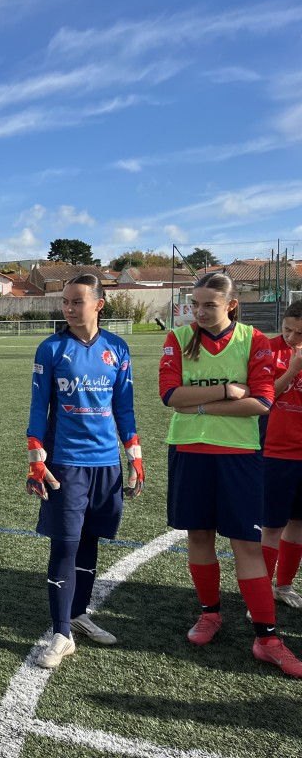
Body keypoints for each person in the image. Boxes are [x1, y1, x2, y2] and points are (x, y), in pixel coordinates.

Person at [160, 273, 302, 677]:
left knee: (248, 545)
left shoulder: (252, 339)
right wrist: (225, 390)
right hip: (188, 449)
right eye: (195, 304)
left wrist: (198, 405)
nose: (200, 312)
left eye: (210, 304)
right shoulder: (178, 338)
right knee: (199, 537)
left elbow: (262, 401)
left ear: (231, 304)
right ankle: (210, 614)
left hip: (240, 454)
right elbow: (170, 396)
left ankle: (267, 639)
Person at [26, 274, 143, 670]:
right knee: (65, 544)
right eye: (65, 302)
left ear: (99, 304)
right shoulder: (52, 348)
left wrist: (134, 456)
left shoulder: (117, 348)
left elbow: (123, 407)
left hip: (106, 464)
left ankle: (78, 615)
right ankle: (61, 633)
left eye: (77, 301)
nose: (69, 309)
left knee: (90, 541)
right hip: (66, 464)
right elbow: (38, 407)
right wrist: (36, 458)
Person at [259, 300, 302, 610]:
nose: (291, 337)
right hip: (276, 452)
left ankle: (283, 586)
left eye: (299, 333)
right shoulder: (268, 350)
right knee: (272, 526)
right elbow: (265, 397)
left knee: (298, 524)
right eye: (287, 329)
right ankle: (260, 594)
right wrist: (293, 369)